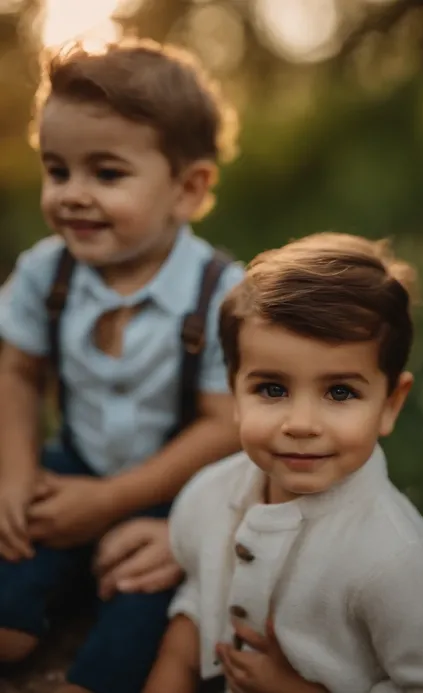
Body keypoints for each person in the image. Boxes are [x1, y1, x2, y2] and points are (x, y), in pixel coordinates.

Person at [0, 38, 243, 693]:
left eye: (106, 175)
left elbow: (225, 425)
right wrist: (18, 474)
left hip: (174, 494)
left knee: (127, 647)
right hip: (72, 465)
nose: (73, 195)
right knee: (8, 627)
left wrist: (110, 501)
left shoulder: (220, 293)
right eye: (58, 170)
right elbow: (18, 372)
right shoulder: (45, 273)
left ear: (188, 190)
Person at [143, 232, 423, 693]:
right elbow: (201, 601)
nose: (301, 424)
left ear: (390, 405)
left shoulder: (400, 564)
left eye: (340, 392)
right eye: (272, 389)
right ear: (233, 392)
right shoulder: (211, 496)